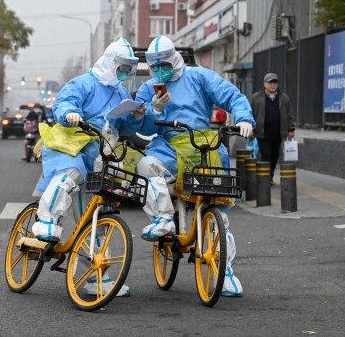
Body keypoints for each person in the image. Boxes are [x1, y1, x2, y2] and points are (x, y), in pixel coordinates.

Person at [134, 35, 254, 297]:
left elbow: (230, 95)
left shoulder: (199, 77)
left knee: (218, 216)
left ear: (174, 58)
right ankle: (163, 219)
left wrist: (244, 118)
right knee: (146, 165)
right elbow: (140, 128)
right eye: (154, 67)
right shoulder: (149, 87)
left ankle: (226, 271)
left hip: (203, 146)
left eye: (163, 65)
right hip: (167, 146)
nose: (159, 71)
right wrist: (152, 111)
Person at [31, 38, 145, 297]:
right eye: (123, 67)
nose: (125, 72)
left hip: (100, 156)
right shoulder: (84, 83)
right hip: (69, 146)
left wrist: (137, 118)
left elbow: (123, 128)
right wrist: (70, 113)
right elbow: (63, 104)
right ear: (111, 62)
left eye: (129, 68)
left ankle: (94, 276)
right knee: (71, 175)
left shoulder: (121, 93)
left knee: (94, 220)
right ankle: (46, 221)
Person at [249, 73, 295, 186]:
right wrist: (251, 129)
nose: (273, 85)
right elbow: (251, 114)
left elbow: (289, 115)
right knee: (266, 154)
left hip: (278, 132)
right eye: (270, 82)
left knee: (275, 156)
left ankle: (270, 175)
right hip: (262, 132)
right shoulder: (256, 98)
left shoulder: (284, 98)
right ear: (265, 84)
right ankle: (265, 178)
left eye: (275, 82)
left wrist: (291, 129)